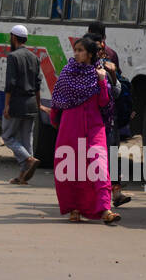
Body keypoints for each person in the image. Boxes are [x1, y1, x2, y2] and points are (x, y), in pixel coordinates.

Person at [51, 36, 120, 223]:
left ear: (90, 54)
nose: (77, 54)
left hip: (94, 127)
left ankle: (105, 209)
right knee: (71, 168)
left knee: (99, 166)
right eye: (76, 50)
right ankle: (74, 208)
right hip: (70, 127)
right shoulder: (67, 72)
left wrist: (102, 81)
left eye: (81, 50)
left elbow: (104, 103)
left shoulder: (98, 74)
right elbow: (57, 99)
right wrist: (54, 120)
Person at [86, 23, 133, 207]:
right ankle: (108, 194)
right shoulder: (108, 56)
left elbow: (116, 89)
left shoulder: (92, 60)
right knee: (106, 156)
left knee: (102, 156)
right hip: (103, 117)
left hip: (101, 118)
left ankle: (108, 195)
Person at [3, 24, 46, 184]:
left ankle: (28, 159)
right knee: (27, 138)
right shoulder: (34, 57)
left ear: (13, 37)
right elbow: (37, 84)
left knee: (7, 136)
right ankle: (23, 177)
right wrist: (39, 104)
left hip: (17, 102)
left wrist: (7, 105)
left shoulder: (13, 57)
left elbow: (10, 83)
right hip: (31, 104)